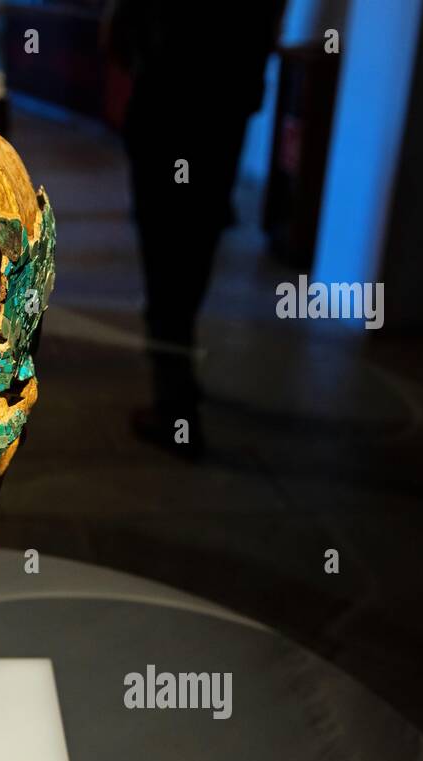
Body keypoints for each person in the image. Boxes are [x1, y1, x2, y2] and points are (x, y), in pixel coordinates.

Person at [110, 0, 284, 458]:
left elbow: (122, 39)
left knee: (164, 261)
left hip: (167, 113)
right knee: (193, 253)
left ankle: (176, 410)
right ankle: (179, 378)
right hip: (222, 119)